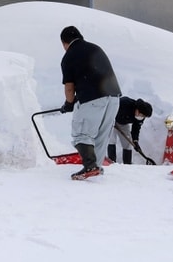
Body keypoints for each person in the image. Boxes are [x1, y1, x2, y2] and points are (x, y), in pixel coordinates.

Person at [59, 25, 122, 180]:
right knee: (102, 134)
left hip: (92, 98)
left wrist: (68, 104)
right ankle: (96, 167)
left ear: (64, 42)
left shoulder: (69, 56)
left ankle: (90, 166)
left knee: (81, 134)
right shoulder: (95, 48)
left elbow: (69, 88)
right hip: (114, 97)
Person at [108, 97, 153, 164]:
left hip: (123, 123)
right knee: (111, 139)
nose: (142, 117)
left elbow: (136, 129)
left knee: (127, 143)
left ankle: (127, 164)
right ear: (137, 110)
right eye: (142, 115)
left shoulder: (140, 117)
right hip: (111, 120)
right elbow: (110, 108)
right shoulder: (125, 103)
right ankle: (111, 161)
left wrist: (135, 141)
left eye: (144, 116)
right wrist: (111, 120)